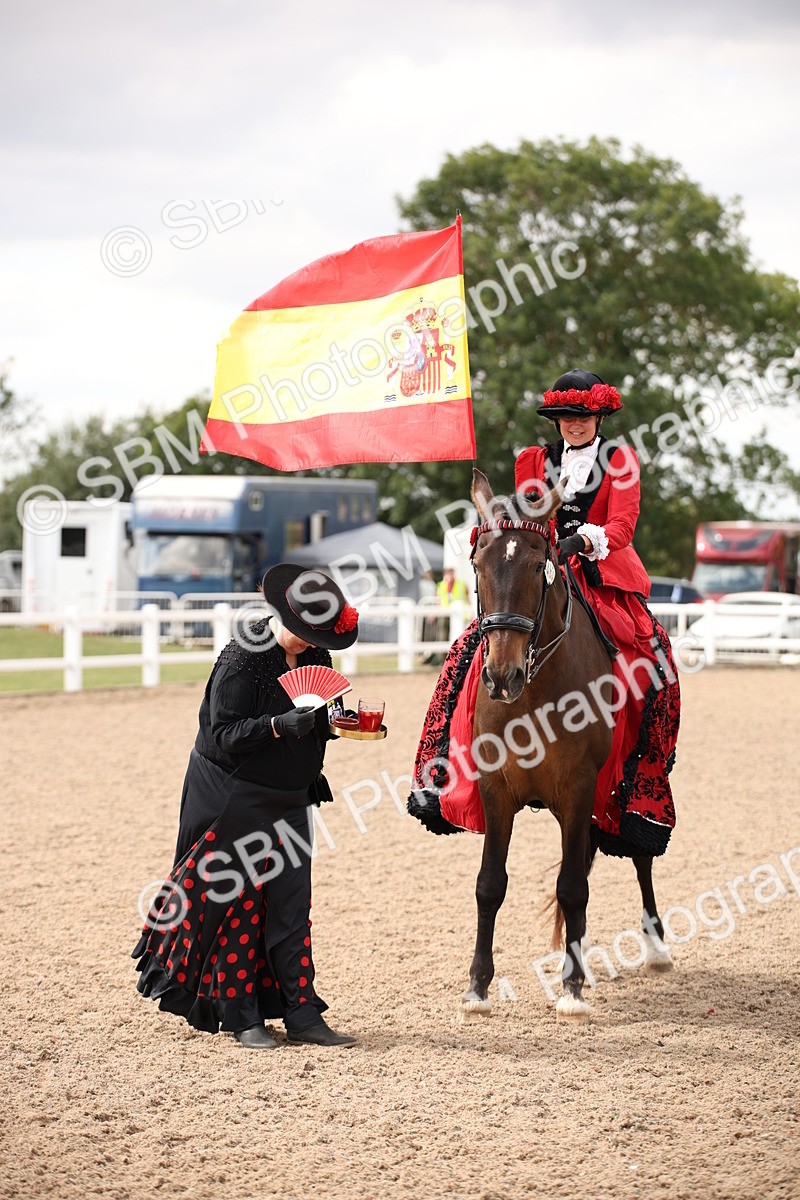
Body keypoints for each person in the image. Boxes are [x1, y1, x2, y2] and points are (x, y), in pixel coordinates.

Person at [409, 368, 680, 859]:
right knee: (468, 650)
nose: (574, 424)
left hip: (601, 569)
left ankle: (639, 789)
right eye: (565, 417)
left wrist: (582, 541)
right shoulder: (533, 459)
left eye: (583, 416)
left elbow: (622, 524)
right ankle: (441, 771)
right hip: (541, 563)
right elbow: (530, 513)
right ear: (555, 420)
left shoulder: (621, 460)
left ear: (598, 416)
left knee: (652, 657)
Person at [132, 564, 360, 1049]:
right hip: (234, 793)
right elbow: (224, 734)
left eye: (317, 635)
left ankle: (301, 1012)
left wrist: (334, 725)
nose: (310, 642)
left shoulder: (317, 655)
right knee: (240, 903)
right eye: (303, 632)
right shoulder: (242, 659)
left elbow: (316, 712)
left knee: (293, 902)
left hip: (291, 794)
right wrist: (278, 725)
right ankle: (242, 1016)